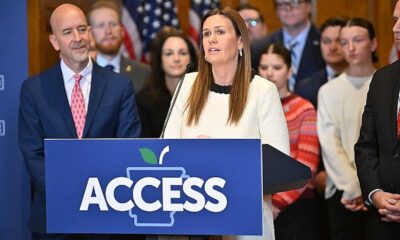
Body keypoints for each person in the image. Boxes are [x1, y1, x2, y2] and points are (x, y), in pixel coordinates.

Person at [164, 7, 290, 240]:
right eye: (206, 33)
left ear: (241, 41)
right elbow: (166, 151)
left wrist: (222, 154)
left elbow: (279, 163)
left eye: (220, 32)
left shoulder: (263, 91)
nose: (211, 39)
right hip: (192, 216)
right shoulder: (187, 84)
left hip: (245, 220)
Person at [18, 3, 141, 239]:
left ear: (90, 33)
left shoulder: (119, 86)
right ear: (54, 42)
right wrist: (67, 196)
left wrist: (98, 196)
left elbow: (128, 146)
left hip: (107, 214)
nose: (77, 38)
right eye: (67, 32)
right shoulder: (33, 90)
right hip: (54, 216)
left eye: (82, 29)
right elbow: (33, 152)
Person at [317, 17, 378, 240]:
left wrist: (371, 186)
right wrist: (353, 185)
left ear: (373, 44)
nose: (350, 48)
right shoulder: (328, 91)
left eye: (358, 40)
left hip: (382, 189)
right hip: (343, 191)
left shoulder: (385, 84)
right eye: (344, 42)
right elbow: (330, 143)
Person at [258, 43, 319, 240]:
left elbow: (307, 164)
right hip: (258, 200)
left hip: (297, 203)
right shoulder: (252, 108)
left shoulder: (304, 108)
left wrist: (277, 204)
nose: (269, 73)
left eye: (277, 68)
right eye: (264, 67)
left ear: (289, 71)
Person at [354, 1, 400, 239]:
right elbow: (366, 146)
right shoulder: (383, 79)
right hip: (382, 222)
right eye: (394, 20)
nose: (396, 29)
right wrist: (375, 194)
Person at [251, 0, 325, 92]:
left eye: (295, 2)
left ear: (309, 6)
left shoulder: (325, 43)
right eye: (281, 4)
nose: (288, 8)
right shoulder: (258, 47)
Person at [136, 27, 198, 138]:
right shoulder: (144, 99)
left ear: (191, 58)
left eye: (182, 53)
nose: (176, 59)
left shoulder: (203, 94)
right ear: (160, 59)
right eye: (169, 53)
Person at [88, 0, 151, 92]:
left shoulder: (144, 72)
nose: (108, 31)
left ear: (122, 31)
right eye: (101, 26)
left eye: (113, 24)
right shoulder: (82, 74)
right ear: (90, 34)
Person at [296, 16, 349, 108]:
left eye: (339, 41)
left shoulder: (369, 83)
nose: (332, 47)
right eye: (326, 41)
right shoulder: (305, 88)